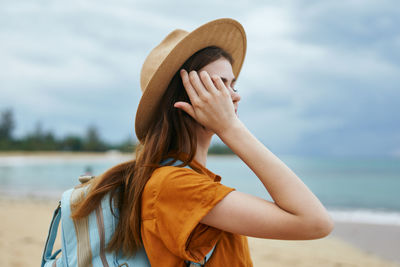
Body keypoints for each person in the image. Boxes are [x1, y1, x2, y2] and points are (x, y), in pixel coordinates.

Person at [72, 18, 334, 266]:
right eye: (218, 86)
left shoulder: (187, 179)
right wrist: (230, 128)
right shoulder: (174, 185)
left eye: (234, 86)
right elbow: (314, 221)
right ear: (183, 98)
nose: (233, 96)